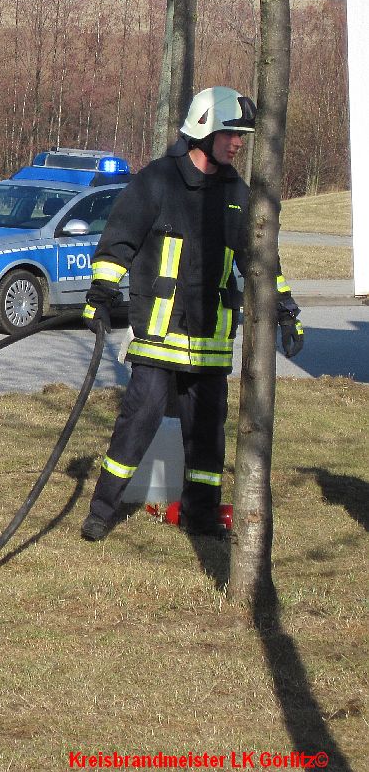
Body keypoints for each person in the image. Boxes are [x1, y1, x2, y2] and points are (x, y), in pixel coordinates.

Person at [78, 86, 305, 542]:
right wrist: (100, 294)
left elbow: (261, 261)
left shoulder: (237, 194)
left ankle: (201, 518)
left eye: (242, 135)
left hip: (210, 343)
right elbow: (117, 239)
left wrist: (284, 308)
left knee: (207, 438)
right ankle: (102, 511)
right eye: (231, 133)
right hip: (158, 339)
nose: (239, 143)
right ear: (203, 130)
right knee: (136, 424)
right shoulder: (157, 181)